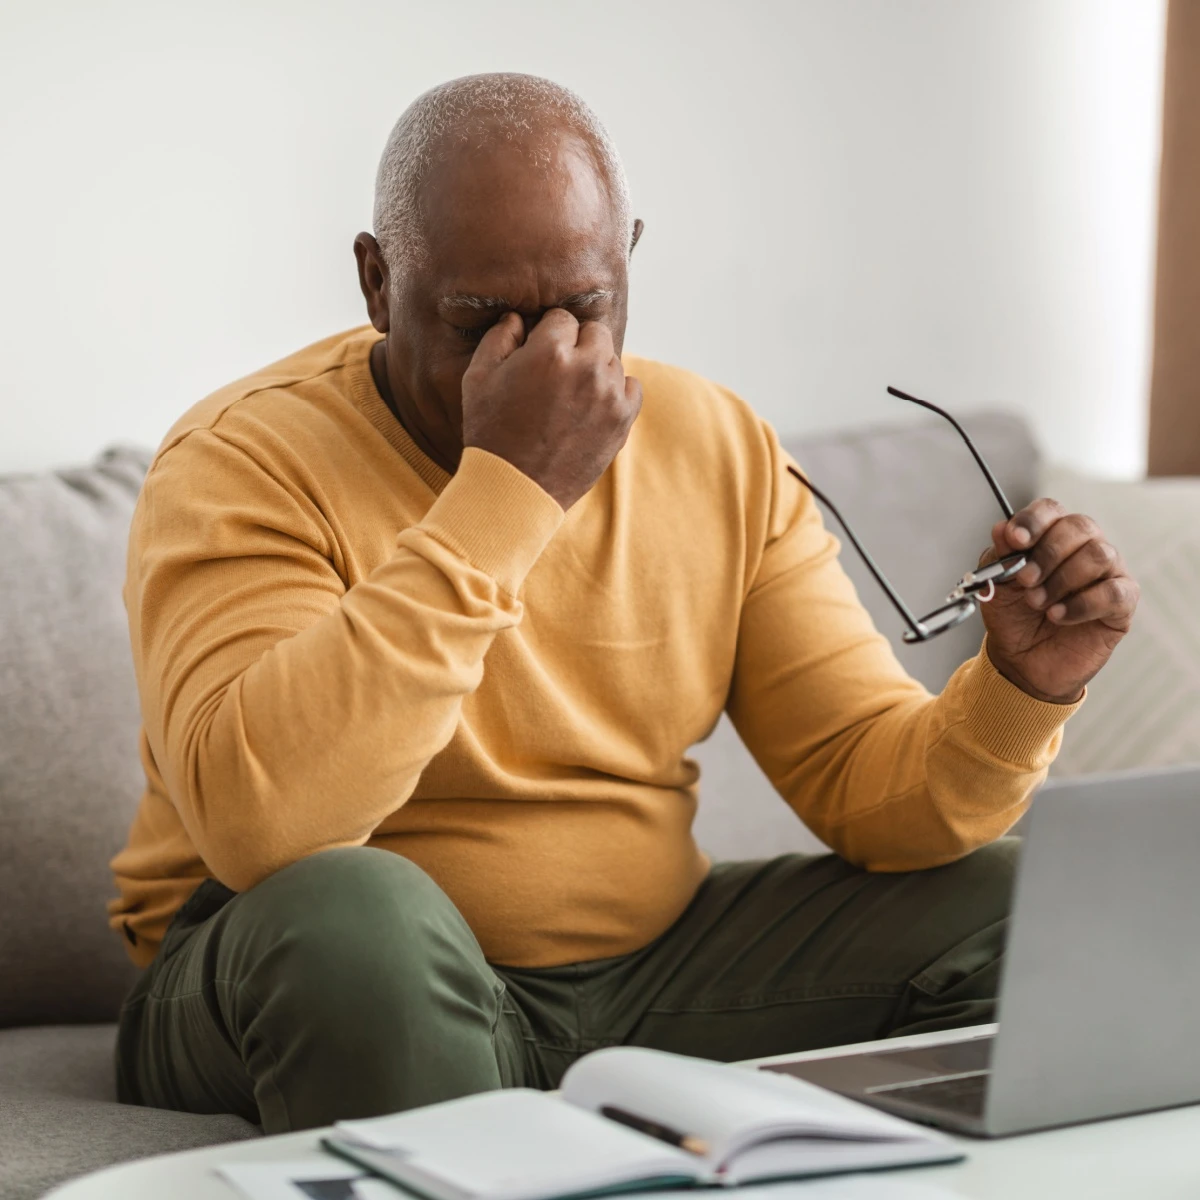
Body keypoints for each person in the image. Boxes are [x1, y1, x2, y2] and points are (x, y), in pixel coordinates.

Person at [109, 73, 1138, 1133]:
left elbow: (868, 791)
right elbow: (263, 826)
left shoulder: (713, 443)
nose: (543, 359)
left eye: (583, 310)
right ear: (377, 283)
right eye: (478, 322)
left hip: (648, 976)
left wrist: (1018, 687)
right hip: (290, 963)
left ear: (629, 258)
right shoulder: (240, 458)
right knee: (350, 914)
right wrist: (509, 496)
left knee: (1035, 909)